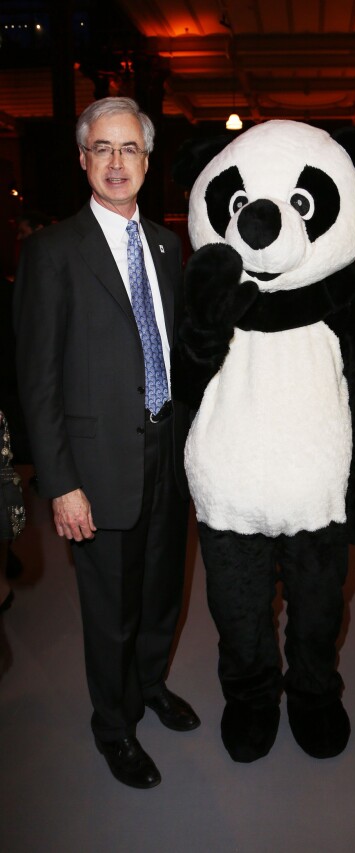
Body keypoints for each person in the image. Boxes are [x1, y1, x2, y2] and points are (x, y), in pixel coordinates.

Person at [14, 97, 198, 789]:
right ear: (83, 159)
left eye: (130, 149)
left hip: (166, 454)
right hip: (96, 468)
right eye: (103, 149)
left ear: (148, 162)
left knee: (160, 594)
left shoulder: (165, 245)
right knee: (110, 609)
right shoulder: (52, 251)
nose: (117, 163)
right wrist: (61, 482)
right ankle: (113, 725)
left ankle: (149, 686)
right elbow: (38, 381)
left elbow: (177, 349)